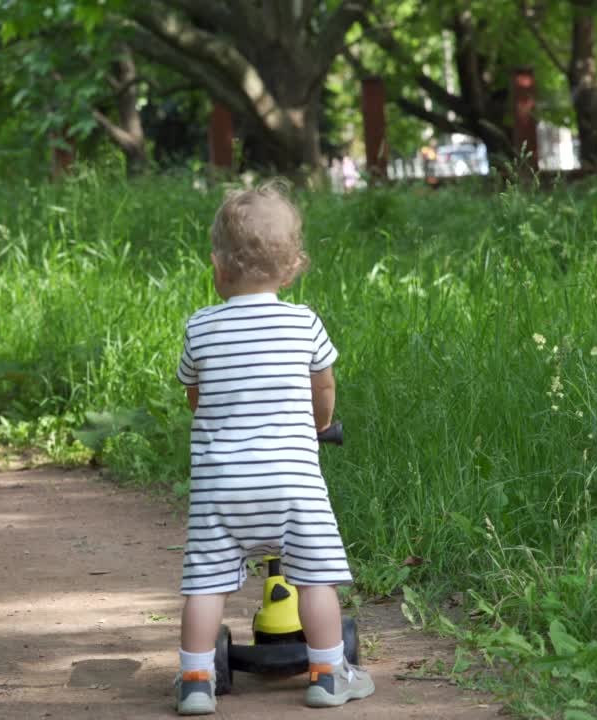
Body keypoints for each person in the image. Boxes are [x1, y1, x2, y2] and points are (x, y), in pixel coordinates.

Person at [172, 181, 374, 715]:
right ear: (292, 268)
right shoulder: (303, 322)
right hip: (292, 483)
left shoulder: (200, 327)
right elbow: (323, 385)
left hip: (222, 489)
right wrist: (319, 422)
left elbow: (195, 394)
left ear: (217, 267)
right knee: (315, 577)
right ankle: (329, 673)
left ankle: (195, 680)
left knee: (206, 584)